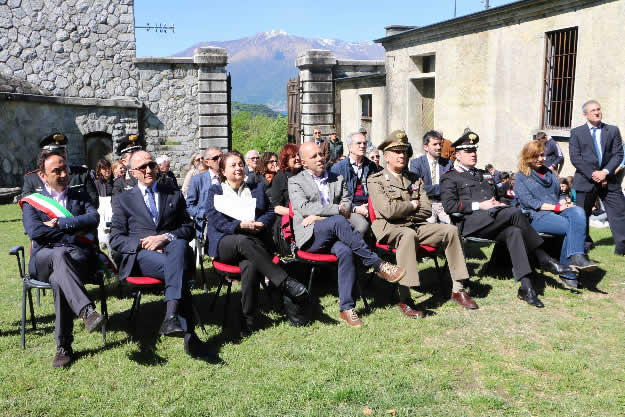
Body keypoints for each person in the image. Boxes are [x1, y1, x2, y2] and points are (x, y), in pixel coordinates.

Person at [440, 131, 571, 308]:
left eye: (475, 150)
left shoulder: (481, 175)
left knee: (514, 231)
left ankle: (526, 288)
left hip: (493, 219)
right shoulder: (450, 176)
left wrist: (498, 203)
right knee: (515, 213)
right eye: (468, 151)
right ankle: (543, 257)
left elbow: (496, 196)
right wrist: (481, 205)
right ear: (458, 155)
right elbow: (450, 206)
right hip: (471, 223)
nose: (473, 154)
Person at [289, 141, 406, 327]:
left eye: (321, 154)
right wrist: (334, 211)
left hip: (334, 233)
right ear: (304, 163)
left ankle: (346, 307)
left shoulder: (337, 178)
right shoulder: (295, 181)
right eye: (314, 157)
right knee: (338, 220)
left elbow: (348, 204)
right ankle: (377, 263)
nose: (320, 158)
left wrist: (320, 216)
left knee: (345, 250)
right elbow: (303, 208)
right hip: (310, 236)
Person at [110, 150, 211, 360]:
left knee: (178, 245)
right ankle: (187, 333)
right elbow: (116, 239)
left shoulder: (172, 193)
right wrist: (146, 243)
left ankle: (172, 317)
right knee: (178, 265)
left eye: (151, 165)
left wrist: (165, 237)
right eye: (142, 167)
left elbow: (188, 227)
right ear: (131, 173)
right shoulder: (123, 199)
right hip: (142, 256)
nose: (148, 170)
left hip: (173, 250)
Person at [368, 130, 478, 318]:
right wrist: (412, 204)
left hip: (416, 225)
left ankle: (458, 289)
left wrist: (406, 209)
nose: (402, 155)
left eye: (404, 151)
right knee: (407, 235)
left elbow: (427, 209)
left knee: (450, 230)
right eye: (397, 152)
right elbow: (387, 211)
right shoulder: (375, 180)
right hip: (390, 229)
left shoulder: (414, 178)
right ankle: (405, 298)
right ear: (386, 156)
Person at [205, 151, 309, 335]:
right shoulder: (216, 191)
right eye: (233, 165)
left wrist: (262, 224)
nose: (238, 168)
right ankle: (284, 282)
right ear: (222, 170)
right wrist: (239, 225)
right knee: (243, 240)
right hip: (226, 243)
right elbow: (215, 220)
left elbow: (270, 212)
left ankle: (249, 319)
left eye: (240, 164)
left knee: (250, 265)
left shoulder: (255, 188)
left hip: (255, 243)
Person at [21, 151, 106, 368]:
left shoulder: (80, 195)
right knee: (58, 255)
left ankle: (63, 348)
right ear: (42, 175)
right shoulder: (33, 202)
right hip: (43, 260)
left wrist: (59, 224)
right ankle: (86, 310)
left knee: (60, 278)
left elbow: (94, 218)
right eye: (55, 171)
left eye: (64, 168)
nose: (62, 174)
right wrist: (75, 228)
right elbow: (35, 233)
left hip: (77, 258)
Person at [514, 140, 598, 289]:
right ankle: (568, 272)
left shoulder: (550, 172)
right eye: (536, 156)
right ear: (527, 156)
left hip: (557, 209)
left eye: (542, 155)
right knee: (569, 226)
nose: (541, 159)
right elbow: (529, 203)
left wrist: (563, 202)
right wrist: (556, 207)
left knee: (578, 211)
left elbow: (559, 193)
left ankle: (577, 256)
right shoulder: (521, 176)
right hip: (536, 215)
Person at [569, 100, 625, 255]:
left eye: (598, 109)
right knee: (582, 214)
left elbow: (618, 154)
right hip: (586, 180)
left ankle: (622, 246)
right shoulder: (576, 133)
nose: (597, 112)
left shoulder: (612, 130)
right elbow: (575, 158)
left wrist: (605, 172)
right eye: (593, 110)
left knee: (620, 210)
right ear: (586, 114)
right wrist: (593, 174)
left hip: (609, 179)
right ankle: (585, 243)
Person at [22, 132, 99, 207]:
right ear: (43, 154)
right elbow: (28, 206)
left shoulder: (82, 174)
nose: (61, 155)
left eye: (63, 151)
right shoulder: (31, 179)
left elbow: (93, 201)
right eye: (56, 152)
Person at [330, 131, 380, 237]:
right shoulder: (338, 168)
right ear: (349, 147)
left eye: (364, 143)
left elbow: (376, 190)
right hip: (349, 208)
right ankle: (353, 250)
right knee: (362, 225)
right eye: (359, 143)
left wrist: (370, 206)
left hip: (369, 206)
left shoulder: (371, 166)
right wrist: (355, 208)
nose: (362, 146)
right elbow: (335, 199)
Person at [409, 130, 453, 224]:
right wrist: (441, 188)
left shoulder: (448, 164)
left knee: (452, 226)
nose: (439, 147)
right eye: (435, 144)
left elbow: (451, 187)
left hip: (443, 204)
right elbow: (416, 188)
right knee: (431, 224)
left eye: (440, 144)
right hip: (426, 203)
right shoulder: (416, 163)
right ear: (426, 147)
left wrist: (430, 188)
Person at [270, 144, 302, 255]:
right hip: (288, 219)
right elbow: (277, 208)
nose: (298, 158)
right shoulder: (280, 177)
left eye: (299, 155)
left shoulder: (306, 174)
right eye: (293, 156)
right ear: (286, 159)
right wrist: (297, 213)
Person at [186, 147, 223, 238]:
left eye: (222, 156)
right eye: (215, 158)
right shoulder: (197, 179)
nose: (220, 160)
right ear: (207, 162)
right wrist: (203, 214)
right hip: (207, 223)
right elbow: (189, 206)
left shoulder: (229, 177)